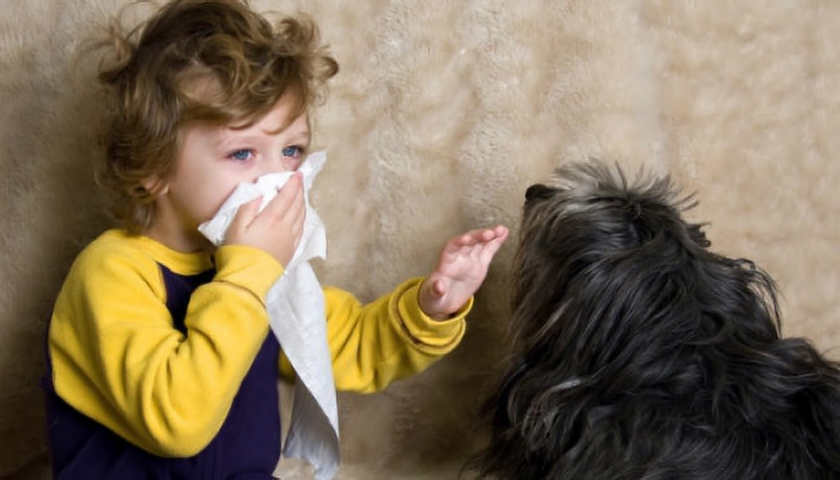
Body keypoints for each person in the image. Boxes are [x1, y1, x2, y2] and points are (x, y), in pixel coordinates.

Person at [40, 0, 509, 478]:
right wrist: (249, 273)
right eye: (242, 153)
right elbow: (176, 421)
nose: (279, 179)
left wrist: (431, 308)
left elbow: (347, 345)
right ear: (153, 168)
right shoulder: (113, 272)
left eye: (291, 150)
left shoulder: (259, 267)